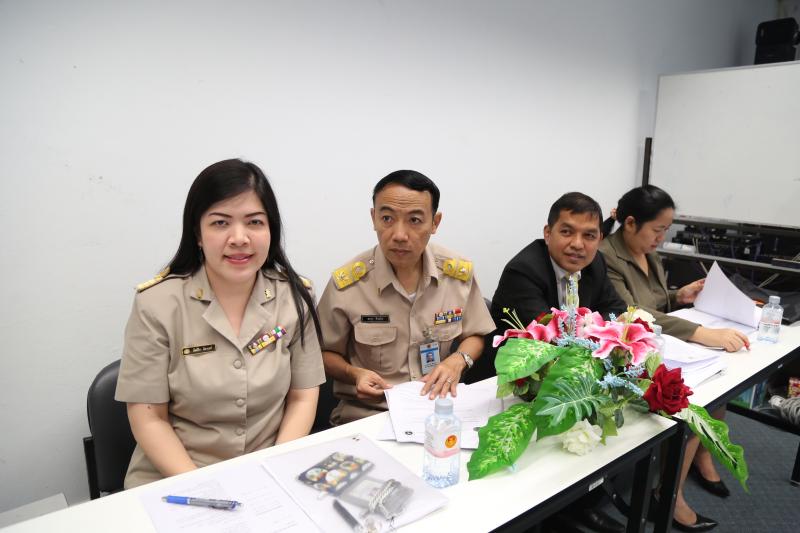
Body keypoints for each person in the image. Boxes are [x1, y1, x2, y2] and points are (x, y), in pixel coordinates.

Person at [115, 159, 325, 488]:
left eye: (254, 222)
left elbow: (302, 397)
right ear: (197, 234)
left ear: (270, 229)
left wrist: (277, 472)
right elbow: (149, 418)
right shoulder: (157, 304)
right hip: (176, 476)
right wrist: (205, 489)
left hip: (268, 471)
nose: (239, 238)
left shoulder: (295, 297)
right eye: (220, 223)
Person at [599, 185, 750, 532]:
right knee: (694, 396)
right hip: (631, 351)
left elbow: (654, 301)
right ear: (631, 223)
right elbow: (631, 311)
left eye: (666, 229)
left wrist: (677, 295)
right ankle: (669, 493)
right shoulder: (606, 256)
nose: (662, 237)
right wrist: (701, 333)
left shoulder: (648, 251)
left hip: (666, 343)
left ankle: (700, 454)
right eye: (658, 229)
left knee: (720, 380)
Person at [489, 192, 627, 533]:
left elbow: (617, 313)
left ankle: (580, 506)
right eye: (567, 232)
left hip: (567, 375)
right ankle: (557, 514)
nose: (578, 244)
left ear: (599, 238)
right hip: (517, 383)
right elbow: (550, 343)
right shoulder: (524, 270)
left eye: (589, 235)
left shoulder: (594, 264)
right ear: (547, 232)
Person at [316, 170, 495, 425]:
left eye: (414, 220)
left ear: (435, 223)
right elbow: (323, 353)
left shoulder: (456, 275)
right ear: (373, 218)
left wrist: (458, 360)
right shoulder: (348, 284)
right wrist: (354, 374)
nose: (399, 234)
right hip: (370, 414)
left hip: (439, 408)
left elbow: (476, 334)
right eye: (387, 218)